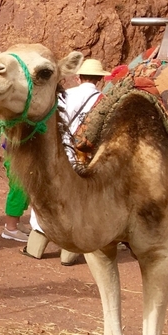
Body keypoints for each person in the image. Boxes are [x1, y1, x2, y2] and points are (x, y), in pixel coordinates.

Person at [25, 57, 111, 263]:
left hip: (58, 154)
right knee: (80, 202)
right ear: (99, 80)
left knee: (48, 197)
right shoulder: (105, 103)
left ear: (79, 77)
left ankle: (35, 247)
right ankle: (69, 254)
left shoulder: (66, 95)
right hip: (85, 157)